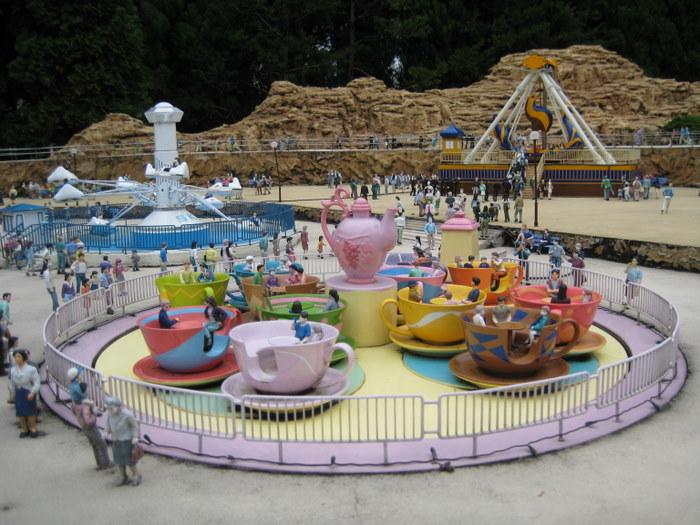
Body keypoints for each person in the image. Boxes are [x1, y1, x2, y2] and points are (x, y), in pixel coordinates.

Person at [67, 368, 112, 470]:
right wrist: (94, 416)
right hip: (90, 427)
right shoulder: (85, 406)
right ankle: (106, 463)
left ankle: (99, 463)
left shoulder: (75, 403)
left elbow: (74, 411)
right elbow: (88, 420)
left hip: (83, 426)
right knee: (101, 443)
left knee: (94, 445)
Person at [104, 397, 141, 486]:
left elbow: (134, 426)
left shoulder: (127, 415)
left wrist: (135, 437)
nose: (109, 411)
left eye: (111, 408)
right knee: (118, 460)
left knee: (129, 460)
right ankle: (123, 477)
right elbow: (108, 424)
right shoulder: (110, 415)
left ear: (118, 407)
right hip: (116, 440)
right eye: (108, 408)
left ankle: (136, 475)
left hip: (126, 440)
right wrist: (107, 431)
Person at [10, 349, 41, 438]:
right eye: (15, 357)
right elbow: (12, 383)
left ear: (23, 357)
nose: (16, 359)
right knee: (20, 412)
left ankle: (32, 428)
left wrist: (32, 392)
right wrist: (13, 392)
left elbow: (37, 382)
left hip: (28, 391)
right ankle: (24, 428)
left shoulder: (31, 369)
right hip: (19, 392)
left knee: (30, 411)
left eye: (18, 356)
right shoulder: (13, 370)